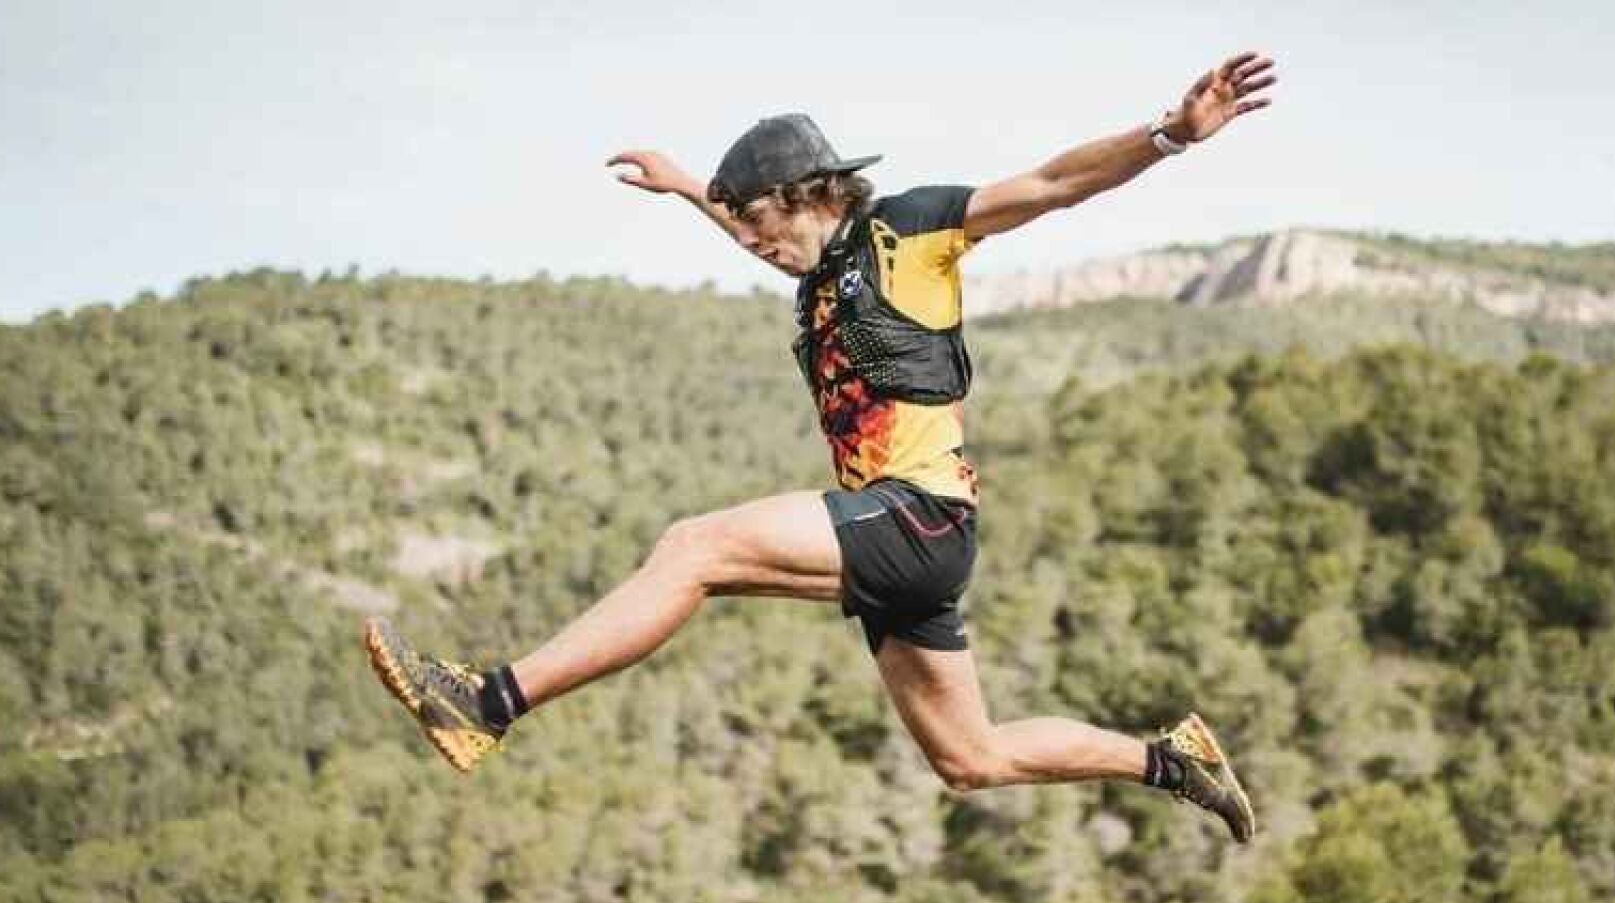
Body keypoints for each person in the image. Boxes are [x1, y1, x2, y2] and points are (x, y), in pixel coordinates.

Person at [363, 50, 1277, 843]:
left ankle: (487, 703)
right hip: (908, 536)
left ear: (811, 195)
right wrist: (686, 187)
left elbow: (1051, 183)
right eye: (740, 226)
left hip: (918, 513)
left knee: (695, 547)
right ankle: (1175, 760)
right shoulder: (817, 269)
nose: (750, 242)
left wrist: (1171, 134)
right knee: (973, 757)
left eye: (757, 222)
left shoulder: (911, 231)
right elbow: (753, 227)